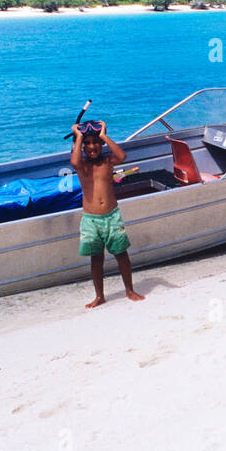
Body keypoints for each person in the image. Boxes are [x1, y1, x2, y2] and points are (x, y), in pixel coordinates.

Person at [69, 120, 144, 309]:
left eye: (96, 142)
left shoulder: (108, 161)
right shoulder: (83, 166)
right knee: (96, 258)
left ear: (101, 144)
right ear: (82, 146)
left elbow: (122, 155)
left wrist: (103, 135)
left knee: (121, 254)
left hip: (111, 216)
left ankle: (129, 290)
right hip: (90, 219)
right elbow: (74, 161)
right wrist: (78, 137)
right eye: (88, 143)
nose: (92, 146)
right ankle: (99, 296)